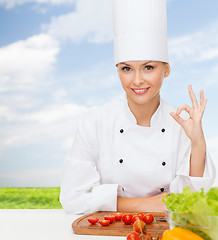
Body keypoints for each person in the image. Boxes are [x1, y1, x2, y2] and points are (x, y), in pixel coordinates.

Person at [60, 0, 216, 214]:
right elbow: (72, 198)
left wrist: (198, 142)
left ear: (167, 70)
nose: (137, 80)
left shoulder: (181, 124)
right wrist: (148, 205)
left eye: (148, 67)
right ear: (117, 70)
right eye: (127, 69)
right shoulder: (95, 122)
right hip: (111, 230)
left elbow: (192, 199)